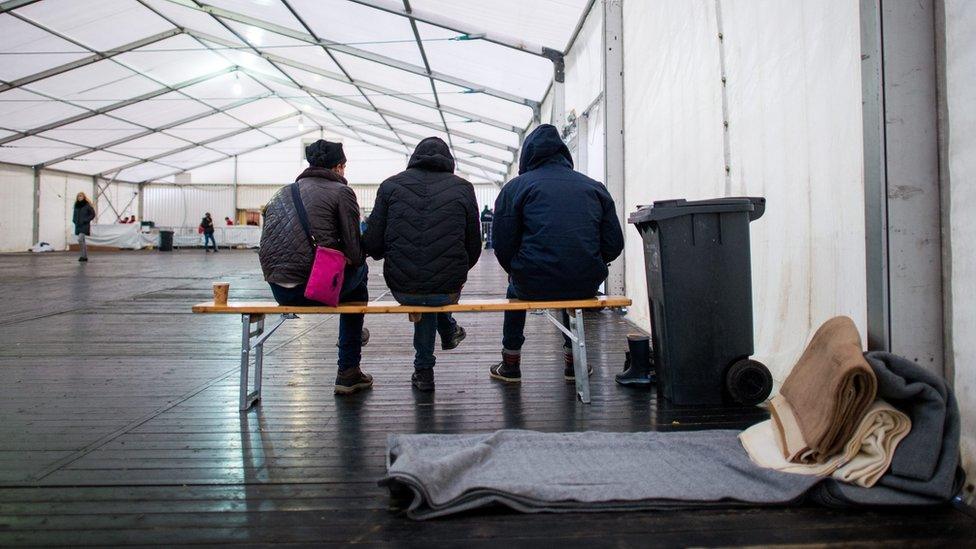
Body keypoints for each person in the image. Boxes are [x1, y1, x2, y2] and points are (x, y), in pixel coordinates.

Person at [489, 124, 624, 383]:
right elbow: (613, 242)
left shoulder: (516, 188)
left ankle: (510, 363)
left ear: (528, 155)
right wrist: (590, 262)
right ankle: (574, 364)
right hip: (584, 282)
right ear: (564, 153)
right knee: (569, 289)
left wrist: (516, 269)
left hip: (532, 281)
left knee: (514, 291)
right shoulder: (594, 187)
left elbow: (503, 243)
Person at [363, 137, 480, 392]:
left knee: (424, 292)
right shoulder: (464, 188)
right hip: (448, 285)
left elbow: (372, 243)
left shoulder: (390, 186)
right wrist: (456, 268)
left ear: (414, 158)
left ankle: (425, 370)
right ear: (448, 160)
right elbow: (474, 247)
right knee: (434, 291)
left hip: (402, 284)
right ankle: (446, 330)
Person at [259, 139, 373, 395]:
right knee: (360, 275)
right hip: (316, 290)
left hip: (280, 290)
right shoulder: (342, 192)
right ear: (339, 167)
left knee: (351, 275)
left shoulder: (282, 192)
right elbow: (355, 253)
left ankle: (354, 338)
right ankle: (348, 369)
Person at [72, 192, 96, 263]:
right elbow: (74, 216)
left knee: (80, 239)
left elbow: (93, 214)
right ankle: (84, 256)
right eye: (78, 196)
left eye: (81, 196)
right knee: (82, 241)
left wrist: (86, 220)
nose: (79, 197)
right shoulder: (76, 206)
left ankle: (82, 256)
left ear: (84, 197)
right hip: (78, 226)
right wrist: (74, 221)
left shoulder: (87, 205)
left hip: (84, 225)